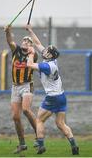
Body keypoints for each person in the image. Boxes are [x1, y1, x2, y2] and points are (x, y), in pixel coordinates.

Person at [26, 24, 79, 155]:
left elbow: (29, 65)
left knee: (39, 120)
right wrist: (30, 31)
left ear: (50, 55)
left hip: (52, 97)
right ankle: (74, 145)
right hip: (61, 97)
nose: (44, 51)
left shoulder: (47, 66)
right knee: (60, 123)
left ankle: (41, 145)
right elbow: (38, 43)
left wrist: (31, 53)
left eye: (47, 51)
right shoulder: (52, 60)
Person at [4, 25, 38, 154]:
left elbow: (33, 56)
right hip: (15, 86)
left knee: (26, 109)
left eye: (29, 42)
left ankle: (38, 136)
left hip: (27, 85)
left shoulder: (32, 55)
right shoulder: (16, 50)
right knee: (15, 117)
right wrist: (8, 31)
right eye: (24, 40)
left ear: (31, 45)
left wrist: (32, 49)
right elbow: (10, 41)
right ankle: (22, 144)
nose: (25, 42)